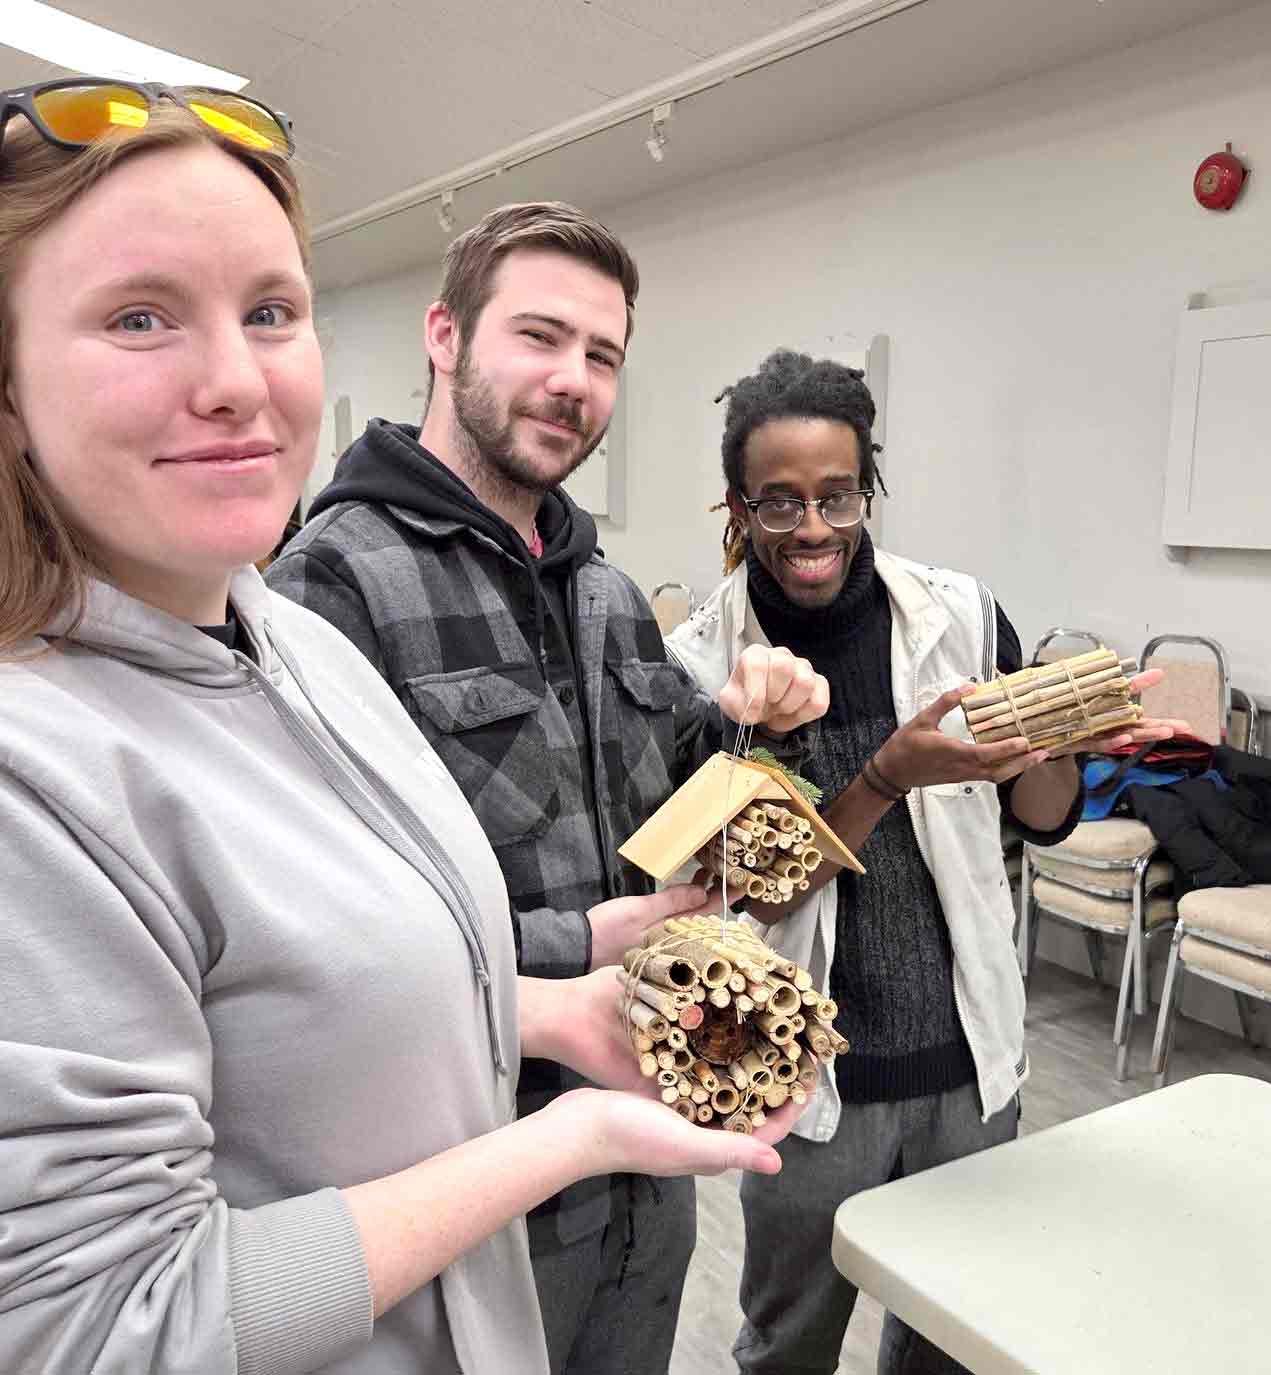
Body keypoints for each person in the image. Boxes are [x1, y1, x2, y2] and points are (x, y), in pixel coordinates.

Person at [0, 86, 807, 1375]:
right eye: (139, 317)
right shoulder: (303, 601)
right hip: (497, 1194)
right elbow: (99, 1322)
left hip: (578, 1202)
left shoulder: (289, 641)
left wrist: (562, 1004)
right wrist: (567, 1097)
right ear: (443, 337)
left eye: (271, 312)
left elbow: (370, 959)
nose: (234, 381)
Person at [267, 201, 827, 1375]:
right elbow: (312, 942)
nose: (574, 379)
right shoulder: (330, 585)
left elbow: (684, 823)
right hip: (465, 1190)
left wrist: (759, 732)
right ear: (444, 336)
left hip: (645, 1161)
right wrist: (580, 942)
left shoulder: (607, 594)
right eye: (539, 335)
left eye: (603, 354)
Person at [665, 349, 1185, 1375]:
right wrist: (883, 775)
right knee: (788, 1344)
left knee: (948, 1343)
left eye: (836, 495)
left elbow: (1040, 820)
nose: (811, 528)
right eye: (778, 503)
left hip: (965, 1068)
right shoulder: (699, 669)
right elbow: (755, 891)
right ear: (737, 506)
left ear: (868, 488)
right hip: (806, 1083)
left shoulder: (958, 615)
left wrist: (1057, 742)